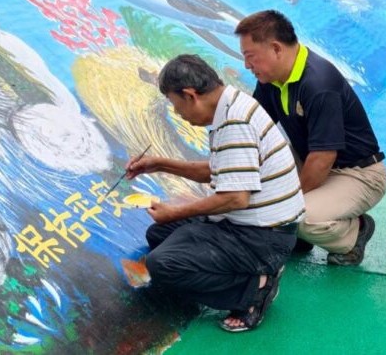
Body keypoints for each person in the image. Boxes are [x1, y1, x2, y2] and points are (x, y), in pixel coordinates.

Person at [125, 54, 305, 332]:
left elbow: (236, 198)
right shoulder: (232, 103)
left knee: (162, 265)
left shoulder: (234, 123)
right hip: (255, 226)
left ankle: (253, 290)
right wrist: (159, 164)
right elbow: (222, 170)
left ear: (190, 95)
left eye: (175, 104)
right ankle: (249, 273)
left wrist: (176, 211)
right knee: (159, 234)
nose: (178, 113)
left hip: (263, 238)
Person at [234, 10, 386, 266]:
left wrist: (283, 205)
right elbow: (253, 131)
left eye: (250, 56)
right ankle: (298, 234)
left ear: (276, 48)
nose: (246, 66)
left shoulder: (318, 83)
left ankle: (355, 231)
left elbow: (323, 158)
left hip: (358, 174)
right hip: (311, 161)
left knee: (296, 215)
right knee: (259, 163)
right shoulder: (270, 78)